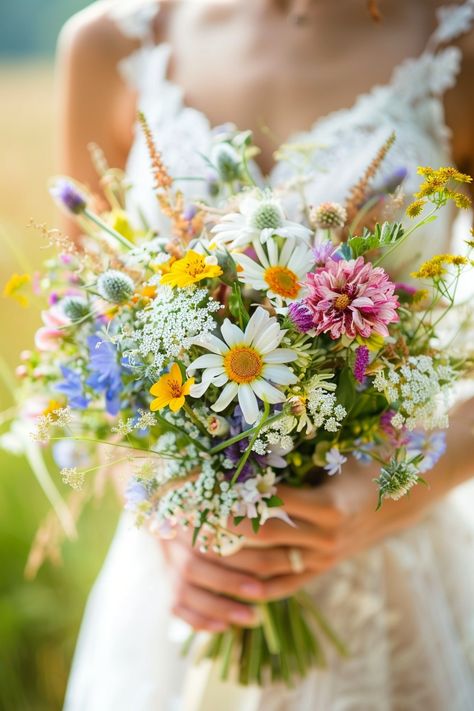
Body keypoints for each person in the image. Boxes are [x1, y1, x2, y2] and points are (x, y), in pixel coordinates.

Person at [58, 1, 474, 709]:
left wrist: (392, 489)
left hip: (388, 570)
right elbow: (91, 337)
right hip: (188, 580)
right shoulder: (110, 43)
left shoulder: (455, 43)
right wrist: (169, 510)